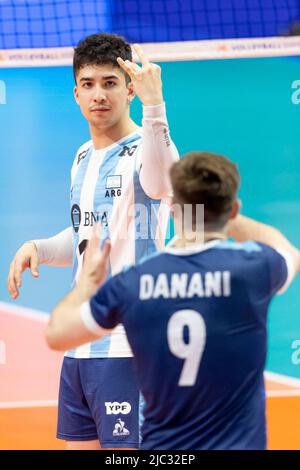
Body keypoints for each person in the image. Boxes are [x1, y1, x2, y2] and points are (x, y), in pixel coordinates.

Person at [46, 151, 299, 450]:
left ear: (174, 208)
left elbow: (57, 335)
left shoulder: (134, 281)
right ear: (232, 210)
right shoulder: (254, 270)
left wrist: (85, 285)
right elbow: (288, 252)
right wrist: (223, 213)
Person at [7, 33, 179, 450]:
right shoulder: (83, 156)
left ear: (130, 88)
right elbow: (90, 236)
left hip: (127, 345)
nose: (98, 94)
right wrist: (42, 248)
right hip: (80, 348)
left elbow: (164, 178)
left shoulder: (145, 150)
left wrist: (156, 108)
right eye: (88, 84)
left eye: (110, 82)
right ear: (76, 93)